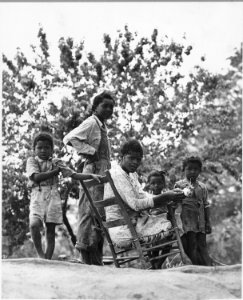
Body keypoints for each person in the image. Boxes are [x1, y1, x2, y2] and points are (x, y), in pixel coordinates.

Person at [26, 131, 101, 260]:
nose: (43, 150)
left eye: (47, 147)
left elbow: (73, 174)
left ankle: (47, 260)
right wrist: (55, 172)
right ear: (34, 149)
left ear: (52, 150)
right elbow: (36, 177)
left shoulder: (57, 162)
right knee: (34, 224)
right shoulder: (32, 161)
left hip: (53, 195)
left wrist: (90, 175)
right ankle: (40, 255)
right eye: (39, 147)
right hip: (37, 195)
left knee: (50, 230)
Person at [104, 139, 185, 253]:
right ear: (122, 156)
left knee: (172, 217)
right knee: (171, 223)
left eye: (138, 159)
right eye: (131, 158)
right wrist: (166, 196)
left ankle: (156, 265)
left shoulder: (130, 174)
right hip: (124, 230)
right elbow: (136, 205)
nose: (135, 162)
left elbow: (142, 196)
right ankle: (156, 265)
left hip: (134, 223)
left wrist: (168, 196)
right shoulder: (118, 174)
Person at [63, 91, 115, 265]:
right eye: (104, 106)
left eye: (111, 107)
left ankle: (96, 257)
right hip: (92, 170)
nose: (108, 109)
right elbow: (69, 138)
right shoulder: (92, 122)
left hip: (103, 172)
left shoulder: (102, 126)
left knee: (100, 213)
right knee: (88, 211)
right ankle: (85, 255)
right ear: (95, 107)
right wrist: (90, 151)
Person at [174, 155, 212, 266]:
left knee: (203, 246)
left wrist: (208, 222)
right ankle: (198, 268)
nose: (192, 172)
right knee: (191, 246)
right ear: (184, 169)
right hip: (186, 222)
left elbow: (206, 205)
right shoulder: (179, 185)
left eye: (195, 169)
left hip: (200, 223)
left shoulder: (202, 187)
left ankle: (208, 268)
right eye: (189, 169)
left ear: (200, 171)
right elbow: (175, 204)